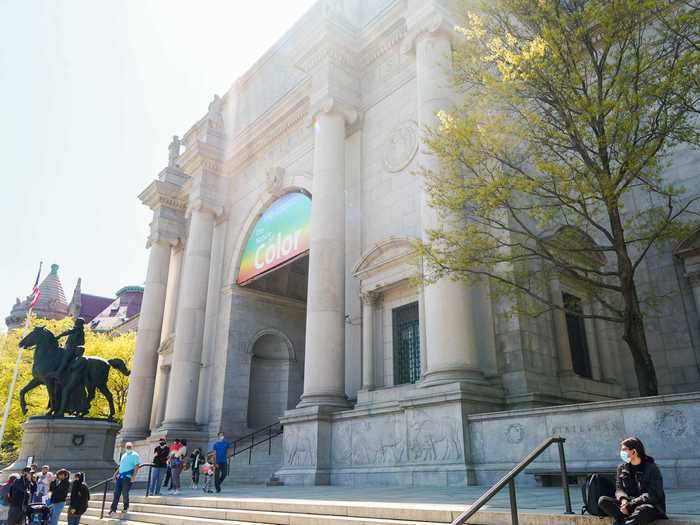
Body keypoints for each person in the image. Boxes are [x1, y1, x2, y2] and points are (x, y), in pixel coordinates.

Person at [598, 437, 668, 525]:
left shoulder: (652, 468)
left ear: (634, 451)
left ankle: (622, 522)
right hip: (629, 504)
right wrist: (624, 500)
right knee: (603, 500)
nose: (621, 453)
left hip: (649, 505)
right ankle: (628, 521)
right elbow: (619, 489)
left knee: (644, 509)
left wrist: (631, 504)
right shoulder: (622, 468)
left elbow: (653, 494)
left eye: (624, 450)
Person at [108, 442, 141, 516]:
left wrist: (134, 476)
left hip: (128, 477)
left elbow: (137, 466)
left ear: (132, 447)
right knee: (116, 493)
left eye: (129, 447)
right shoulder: (123, 455)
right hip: (120, 477)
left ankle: (126, 507)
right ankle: (113, 509)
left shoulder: (135, 455)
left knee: (125, 493)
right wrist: (114, 475)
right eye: (127, 447)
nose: (128, 448)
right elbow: (120, 466)